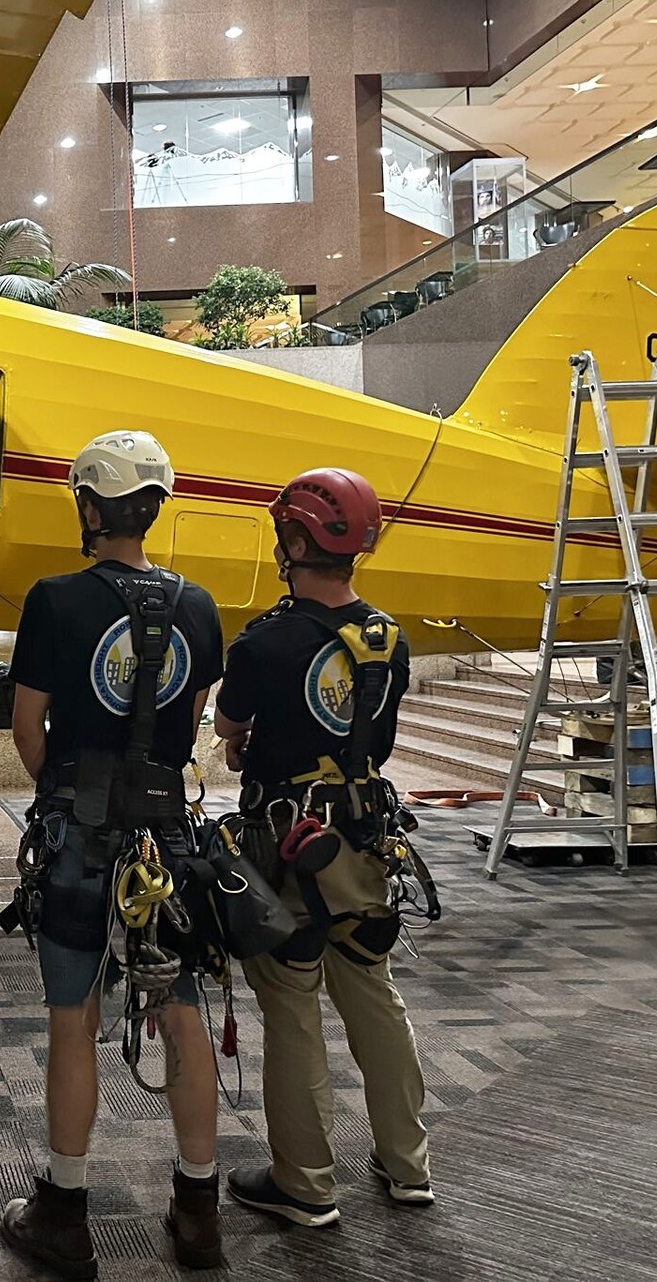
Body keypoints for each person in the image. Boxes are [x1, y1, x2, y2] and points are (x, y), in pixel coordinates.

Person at [0, 431, 227, 1277]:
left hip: (79, 840)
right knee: (183, 1010)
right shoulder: (198, 606)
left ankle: (65, 1208)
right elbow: (188, 720)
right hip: (167, 839)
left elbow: (27, 727)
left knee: (72, 1016)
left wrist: (64, 795)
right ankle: (199, 1208)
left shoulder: (55, 600)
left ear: (90, 508)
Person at [212, 467, 433, 1228]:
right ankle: (408, 1165)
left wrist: (252, 748)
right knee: (373, 989)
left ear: (296, 541)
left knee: (294, 1005)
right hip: (365, 842)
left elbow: (230, 732)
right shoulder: (387, 639)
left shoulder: (263, 644)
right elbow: (376, 739)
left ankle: (306, 1182)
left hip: (287, 848)